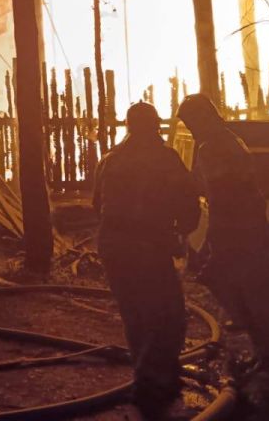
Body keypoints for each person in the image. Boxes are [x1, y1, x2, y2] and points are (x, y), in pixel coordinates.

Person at [93, 102, 200, 413]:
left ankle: (150, 377)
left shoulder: (110, 160)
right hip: (148, 248)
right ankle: (153, 384)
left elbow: (96, 203)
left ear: (129, 126)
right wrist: (180, 232)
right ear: (156, 126)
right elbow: (189, 205)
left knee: (135, 314)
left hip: (113, 248)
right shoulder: (166, 159)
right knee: (168, 316)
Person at [176, 93, 269, 371]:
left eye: (190, 121)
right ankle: (267, 344)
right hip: (248, 225)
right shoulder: (231, 140)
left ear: (202, 118)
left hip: (236, 228)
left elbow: (220, 194)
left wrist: (215, 234)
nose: (190, 127)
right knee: (245, 285)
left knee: (239, 285)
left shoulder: (213, 147)